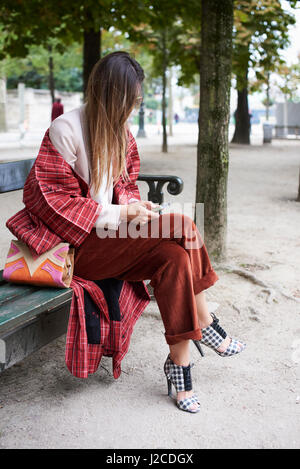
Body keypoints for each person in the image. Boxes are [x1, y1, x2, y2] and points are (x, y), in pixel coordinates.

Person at [7, 52, 245, 413]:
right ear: (112, 95)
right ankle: (206, 322)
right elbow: (50, 200)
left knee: (174, 258)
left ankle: (179, 366)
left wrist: (137, 210)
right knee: (184, 224)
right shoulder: (65, 129)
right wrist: (122, 212)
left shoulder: (121, 133)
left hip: (113, 239)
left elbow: (128, 186)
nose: (134, 108)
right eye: (131, 100)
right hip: (76, 247)